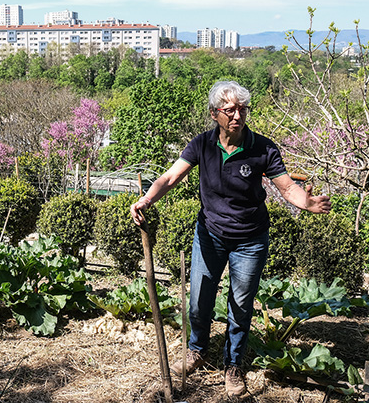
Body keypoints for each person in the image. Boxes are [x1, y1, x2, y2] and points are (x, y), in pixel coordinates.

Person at [130, 80, 331, 398]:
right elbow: (171, 176)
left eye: (242, 109)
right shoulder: (202, 145)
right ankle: (197, 349)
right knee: (198, 302)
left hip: (250, 240)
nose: (237, 115)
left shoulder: (263, 148)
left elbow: (287, 186)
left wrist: (306, 203)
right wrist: (146, 200)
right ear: (214, 113)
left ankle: (233, 365)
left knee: (240, 305)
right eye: (230, 109)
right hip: (209, 235)